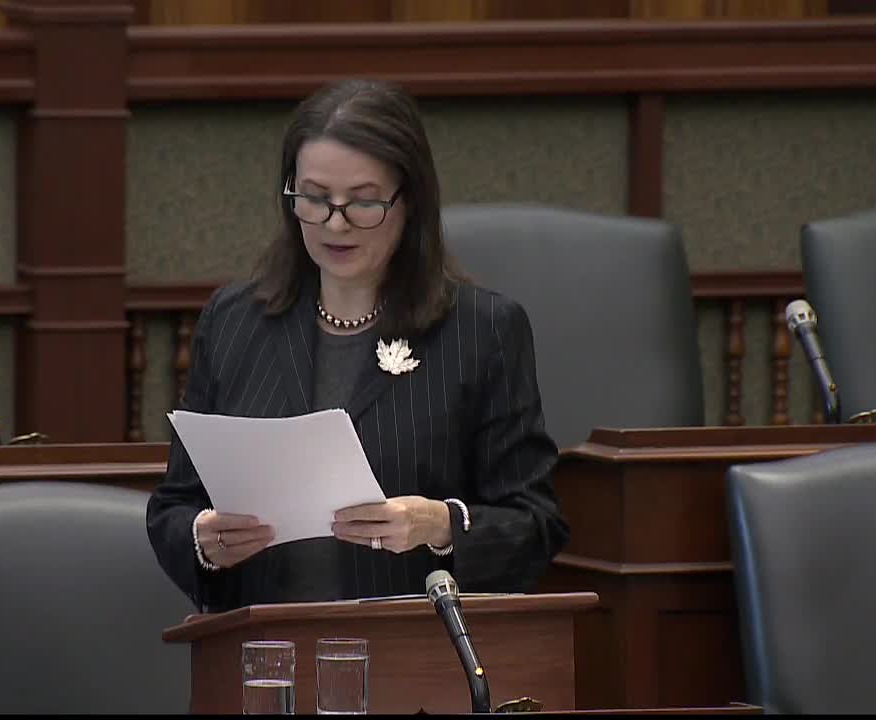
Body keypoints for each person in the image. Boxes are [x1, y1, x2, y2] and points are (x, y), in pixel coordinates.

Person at [146, 78, 569, 613]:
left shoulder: (481, 331)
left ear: (410, 201)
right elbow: (174, 507)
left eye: (364, 203)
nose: (335, 223)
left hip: (413, 660)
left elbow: (536, 525)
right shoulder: (235, 322)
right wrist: (203, 541)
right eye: (315, 199)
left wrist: (439, 525)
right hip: (262, 654)